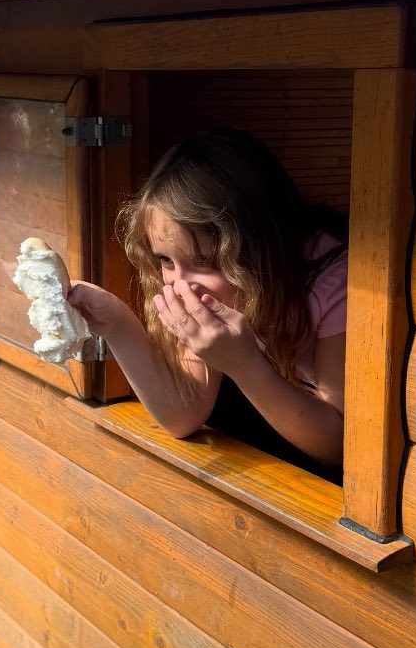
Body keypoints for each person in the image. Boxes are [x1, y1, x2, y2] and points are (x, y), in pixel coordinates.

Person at [68, 130, 347, 468]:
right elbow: (183, 415)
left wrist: (244, 366)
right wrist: (117, 324)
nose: (180, 285)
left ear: (258, 250)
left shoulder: (333, 284)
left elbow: (340, 446)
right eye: (165, 260)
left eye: (204, 261)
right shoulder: (202, 290)